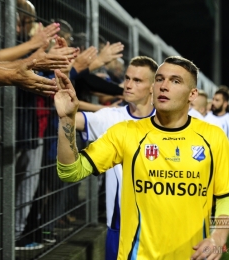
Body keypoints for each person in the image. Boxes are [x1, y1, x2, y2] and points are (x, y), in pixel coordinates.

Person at [54, 56, 229, 260]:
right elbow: (70, 171)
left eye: (175, 81)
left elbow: (227, 196)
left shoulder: (212, 137)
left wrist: (218, 237)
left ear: (192, 95)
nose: (164, 86)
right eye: (160, 79)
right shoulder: (125, 132)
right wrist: (66, 119)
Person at [74, 56, 158, 259]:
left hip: (158, 227)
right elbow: (73, 119)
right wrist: (68, 88)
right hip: (120, 228)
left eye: (137, 81)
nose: (128, 85)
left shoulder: (169, 123)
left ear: (153, 87)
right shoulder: (111, 118)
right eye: (127, 78)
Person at [205, 88, 229, 164]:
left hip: (223, 162)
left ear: (225, 104)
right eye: (213, 99)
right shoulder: (205, 117)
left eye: (217, 100)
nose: (213, 102)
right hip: (206, 162)